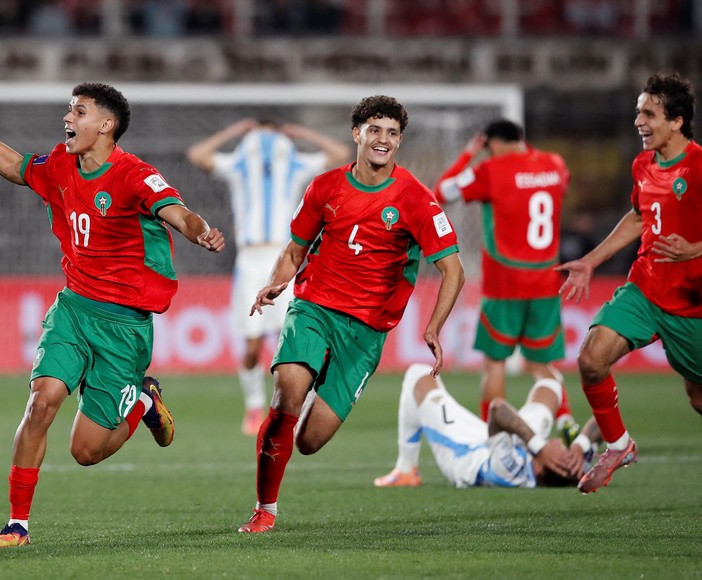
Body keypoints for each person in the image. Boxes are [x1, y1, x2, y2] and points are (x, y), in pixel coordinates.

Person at [0, 83, 225, 547]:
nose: (68, 116)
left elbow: (177, 212)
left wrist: (203, 231)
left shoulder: (134, 175)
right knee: (41, 400)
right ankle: (17, 525)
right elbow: (14, 166)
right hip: (73, 308)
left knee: (85, 451)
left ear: (106, 125)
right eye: (70, 108)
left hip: (124, 326)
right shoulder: (61, 165)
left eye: (79, 110)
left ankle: (145, 403)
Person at [237, 95, 465, 533]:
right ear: (356, 133)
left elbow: (453, 271)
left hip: (365, 333)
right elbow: (294, 251)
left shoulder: (416, 199)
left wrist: (434, 328)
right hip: (314, 307)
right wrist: (277, 281)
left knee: (308, 441)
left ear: (399, 141)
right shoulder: (324, 187)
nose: (383, 140)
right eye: (375, 130)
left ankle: (301, 412)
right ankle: (265, 508)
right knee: (286, 393)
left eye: (392, 133)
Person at [556, 71, 702, 494]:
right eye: (638, 112)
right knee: (591, 359)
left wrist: (695, 249)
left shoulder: (697, 165)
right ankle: (618, 445)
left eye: (649, 113)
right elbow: (638, 217)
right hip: (645, 288)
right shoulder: (643, 164)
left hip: (692, 301)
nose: (639, 121)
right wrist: (590, 260)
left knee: (697, 397)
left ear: (676, 121)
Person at [186, 118, 350, 436]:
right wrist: (235, 131)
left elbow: (340, 152)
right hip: (249, 260)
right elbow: (197, 154)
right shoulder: (238, 166)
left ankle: (293, 406)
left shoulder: (295, 165)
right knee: (251, 345)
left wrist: (300, 132)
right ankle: (253, 407)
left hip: (283, 257)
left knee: (289, 339)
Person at [434, 119, 575, 432]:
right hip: (545, 281)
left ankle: (494, 435)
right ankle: (566, 423)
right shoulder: (555, 165)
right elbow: (556, 181)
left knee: (495, 363)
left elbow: (441, 191)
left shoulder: (491, 171)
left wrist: (471, 153)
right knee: (541, 365)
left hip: (504, 284)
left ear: (491, 143)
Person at [374, 363, 601, 489]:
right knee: (551, 386)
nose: (560, 443)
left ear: (543, 467)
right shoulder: (569, 464)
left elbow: (497, 408)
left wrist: (541, 447)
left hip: (467, 450)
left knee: (418, 374)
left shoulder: (509, 472)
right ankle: (525, 359)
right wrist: (580, 447)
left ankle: (406, 470)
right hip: (515, 443)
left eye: (560, 450)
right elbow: (602, 421)